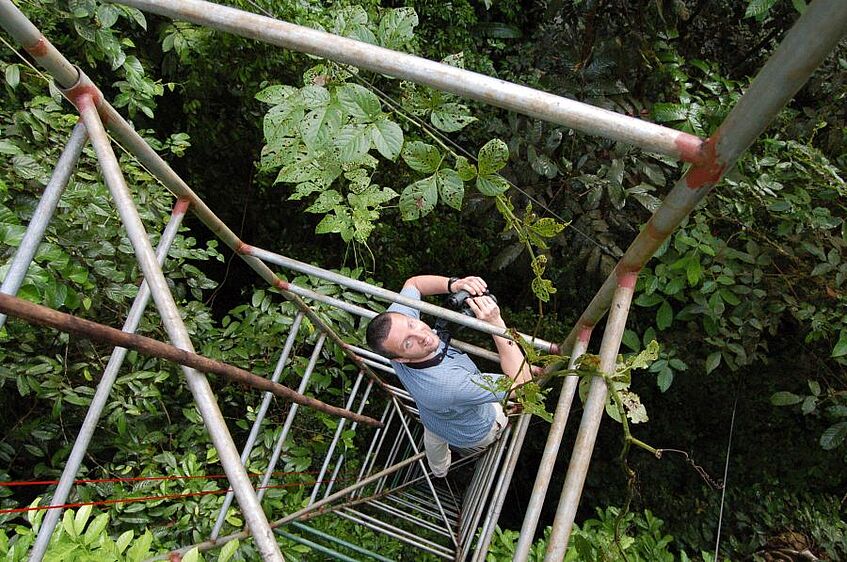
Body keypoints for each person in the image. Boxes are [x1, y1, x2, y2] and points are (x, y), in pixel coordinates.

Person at [366, 275, 532, 477]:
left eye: (412, 324)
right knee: (492, 420)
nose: (422, 336)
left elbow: (413, 284)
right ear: (400, 359)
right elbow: (523, 385)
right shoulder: (449, 385)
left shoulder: (393, 331)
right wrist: (496, 324)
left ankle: (439, 473)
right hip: (474, 431)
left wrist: (454, 284)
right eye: (408, 344)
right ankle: (449, 471)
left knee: (436, 458)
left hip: (431, 420)